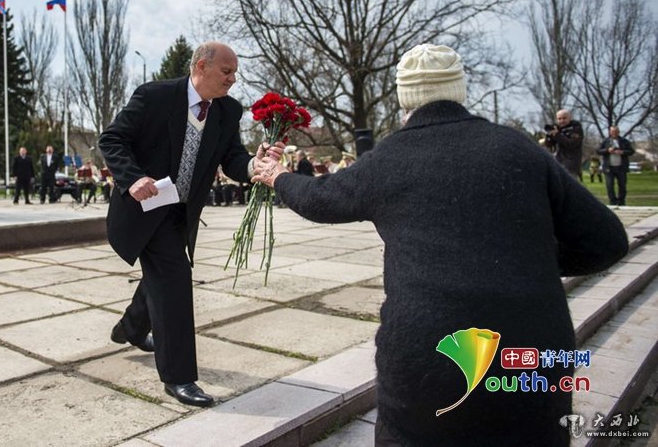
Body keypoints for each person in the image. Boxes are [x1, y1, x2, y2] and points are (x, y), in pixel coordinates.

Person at [252, 44, 628, 447]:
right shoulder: (517, 148)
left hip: (429, 361)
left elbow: (321, 199)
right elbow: (607, 241)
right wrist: (526, 258)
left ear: (404, 100)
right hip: (531, 355)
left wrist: (277, 176)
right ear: (459, 90)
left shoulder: (391, 158)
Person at [99, 41, 283, 407]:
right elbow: (113, 139)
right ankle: (179, 377)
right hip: (144, 207)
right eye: (226, 72)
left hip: (180, 212)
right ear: (201, 66)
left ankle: (131, 328)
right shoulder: (155, 96)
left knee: (162, 276)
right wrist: (132, 178)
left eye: (235, 73)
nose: (233, 79)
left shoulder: (228, 111)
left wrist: (254, 165)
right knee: (174, 279)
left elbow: (231, 158)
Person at [598, 125, 634, 206]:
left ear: (618, 132)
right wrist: (607, 150)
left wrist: (622, 152)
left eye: (616, 131)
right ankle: (613, 201)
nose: (614, 133)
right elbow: (598, 151)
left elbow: (631, 151)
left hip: (621, 167)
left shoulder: (624, 141)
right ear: (610, 132)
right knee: (610, 185)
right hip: (609, 167)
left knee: (622, 185)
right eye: (612, 131)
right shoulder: (605, 141)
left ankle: (621, 201)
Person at [544, 108, 584, 179]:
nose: (562, 121)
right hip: (558, 162)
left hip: (571, 164)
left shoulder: (576, 128)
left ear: (570, 118)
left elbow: (571, 144)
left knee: (569, 187)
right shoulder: (558, 129)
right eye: (559, 119)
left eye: (564, 118)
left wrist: (557, 135)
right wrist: (549, 136)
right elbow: (549, 145)